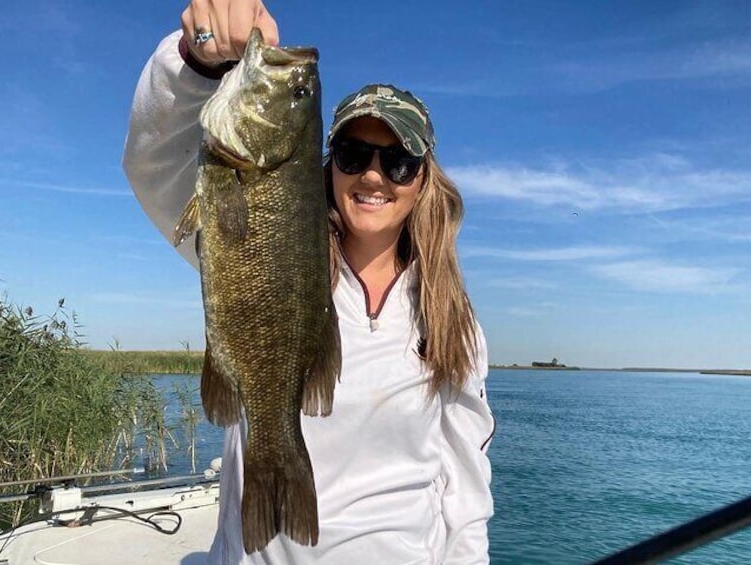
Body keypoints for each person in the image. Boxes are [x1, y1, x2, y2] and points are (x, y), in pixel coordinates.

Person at [122, 1, 495, 563]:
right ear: (328, 163)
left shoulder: (452, 322)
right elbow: (151, 163)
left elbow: (465, 488)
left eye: (397, 163)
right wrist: (197, 60)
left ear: (422, 181)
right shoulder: (265, 238)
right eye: (352, 152)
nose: (373, 174)